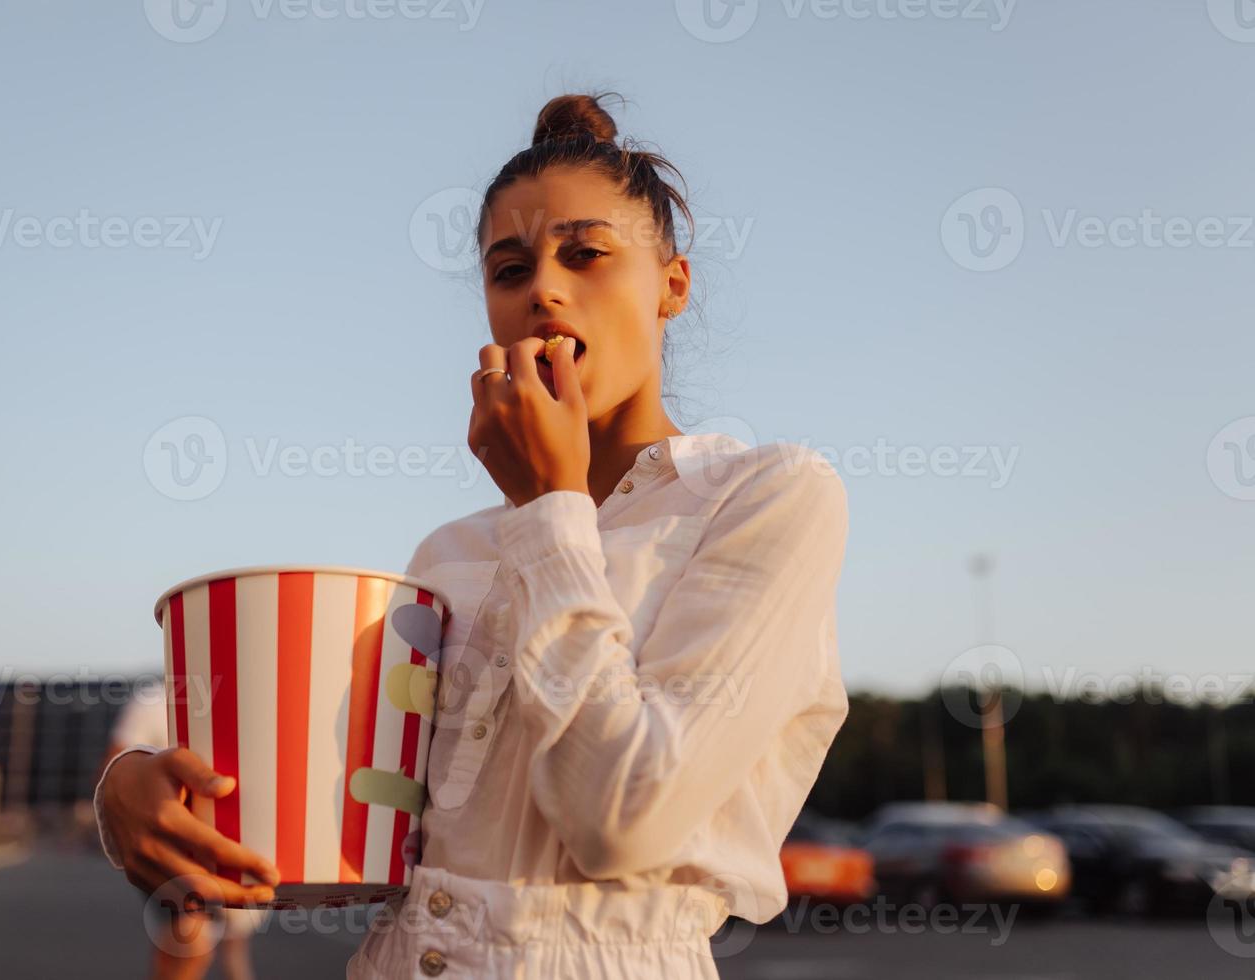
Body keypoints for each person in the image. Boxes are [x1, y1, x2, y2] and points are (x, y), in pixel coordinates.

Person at [95, 91, 850, 979]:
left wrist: (548, 506)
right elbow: (354, 835)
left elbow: (624, 817)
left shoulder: (768, 495)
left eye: (586, 254)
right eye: (509, 270)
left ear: (672, 287)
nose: (546, 292)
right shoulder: (446, 556)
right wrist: (136, 791)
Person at [99, 679, 270, 980]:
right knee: (190, 940)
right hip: (180, 850)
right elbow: (114, 760)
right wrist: (120, 792)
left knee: (232, 948)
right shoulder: (153, 700)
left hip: (237, 849)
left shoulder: (249, 695)